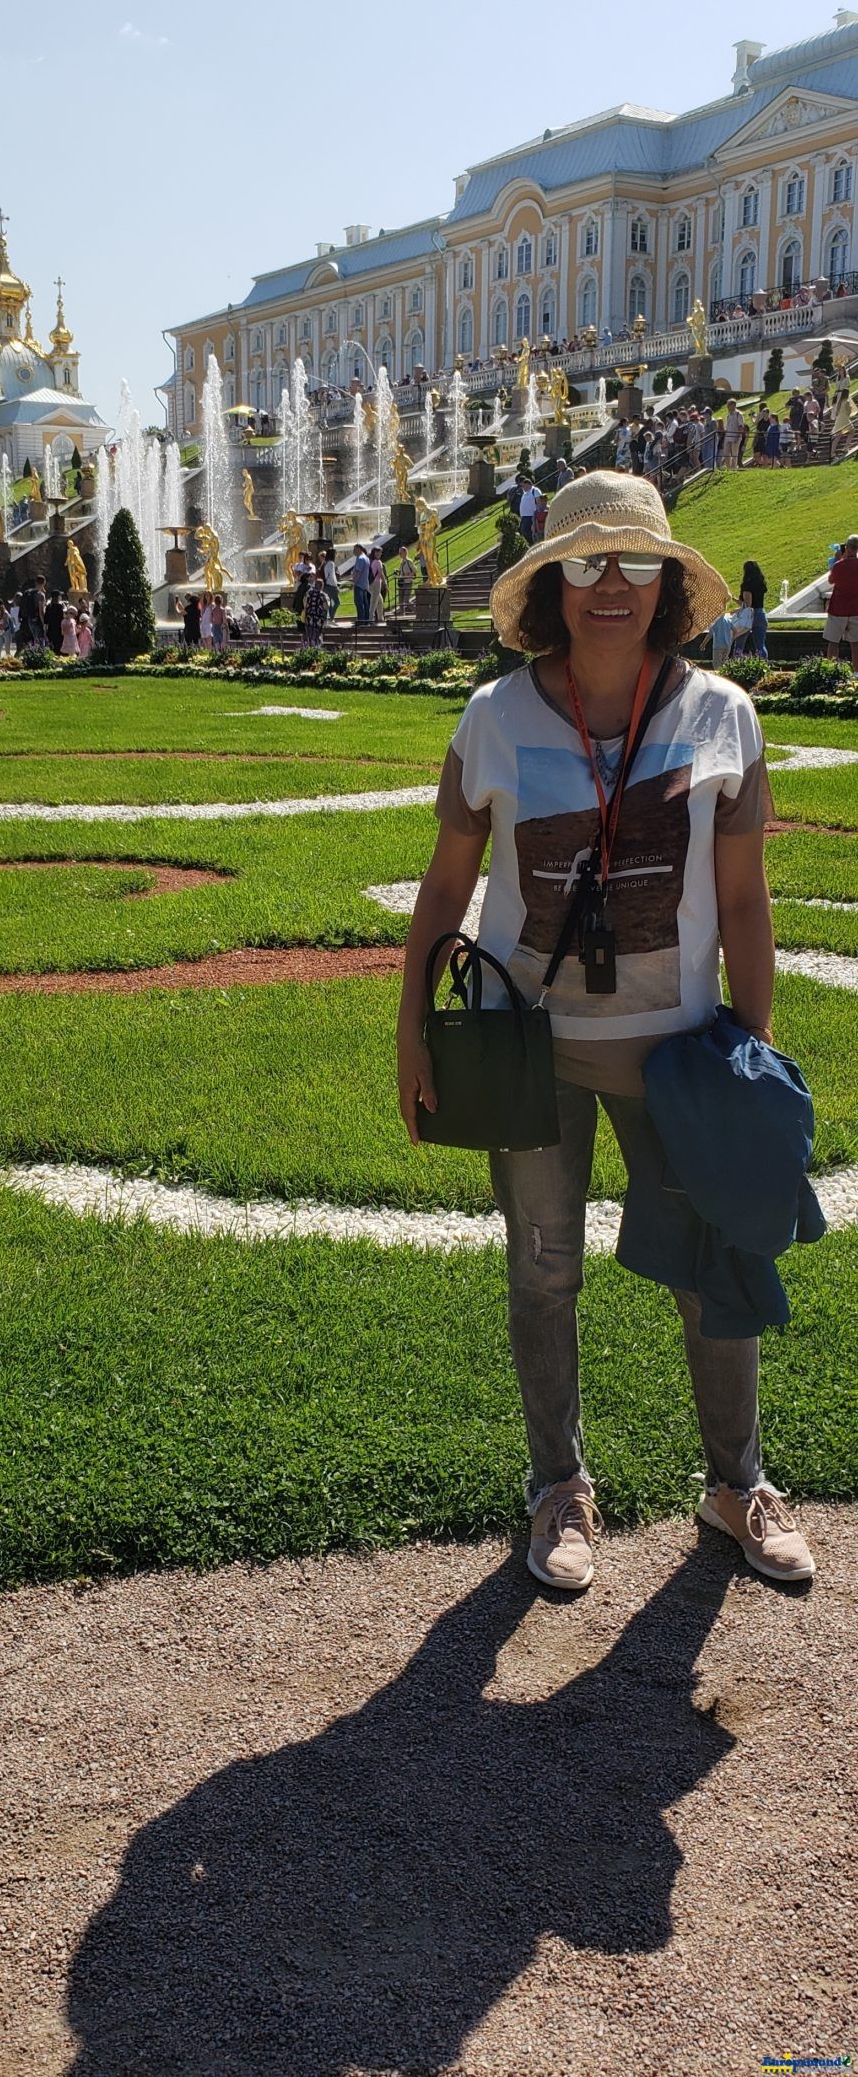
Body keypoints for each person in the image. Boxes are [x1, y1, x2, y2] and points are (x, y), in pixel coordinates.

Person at [397, 468, 815, 1591]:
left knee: (714, 1266)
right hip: (527, 1051)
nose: (611, 585)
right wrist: (411, 1036)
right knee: (543, 1272)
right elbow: (442, 898)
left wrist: (751, 1052)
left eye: (636, 563)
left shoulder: (722, 714)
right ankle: (560, 1489)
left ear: (671, 583)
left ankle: (736, 1485)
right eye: (584, 564)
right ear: (550, 587)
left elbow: (742, 903)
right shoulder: (493, 717)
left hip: (678, 1053)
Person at [823, 531, 858, 671]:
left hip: (838, 610)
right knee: (855, 645)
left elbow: (831, 580)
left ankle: (832, 671)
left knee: (833, 642)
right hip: (856, 609)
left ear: (847, 548)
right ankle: (856, 673)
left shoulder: (839, 565)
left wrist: (837, 561)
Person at [740, 560, 770, 659]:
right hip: (761, 613)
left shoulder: (747, 585)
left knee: (739, 645)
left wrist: (734, 599)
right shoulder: (761, 584)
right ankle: (763, 667)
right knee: (760, 646)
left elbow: (748, 605)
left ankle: (736, 666)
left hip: (749, 616)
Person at [351, 543, 372, 624]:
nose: (353, 551)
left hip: (359, 584)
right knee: (365, 604)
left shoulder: (360, 559)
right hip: (365, 584)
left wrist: (354, 583)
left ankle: (361, 621)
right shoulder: (366, 558)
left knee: (359, 604)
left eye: (355, 549)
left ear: (359, 549)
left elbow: (358, 572)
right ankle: (366, 621)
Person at [722, 398, 743, 470]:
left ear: (733, 405)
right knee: (726, 453)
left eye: (729, 405)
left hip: (735, 437)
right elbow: (726, 427)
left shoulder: (738, 414)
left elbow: (741, 426)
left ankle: (734, 468)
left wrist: (738, 436)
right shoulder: (728, 416)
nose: (727, 407)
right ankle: (729, 468)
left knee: (734, 454)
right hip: (728, 437)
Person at [369, 546, 387, 625]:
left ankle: (380, 617)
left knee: (379, 600)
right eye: (378, 552)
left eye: (380, 552)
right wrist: (385, 583)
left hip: (370, 583)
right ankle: (370, 619)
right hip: (376, 583)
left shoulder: (371, 561)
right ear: (374, 553)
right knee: (374, 602)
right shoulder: (378, 562)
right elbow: (380, 573)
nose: (379, 553)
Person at [45, 589, 66, 655]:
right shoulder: (60, 607)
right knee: (58, 647)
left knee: (51, 647)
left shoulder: (48, 607)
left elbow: (46, 620)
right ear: (57, 597)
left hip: (50, 630)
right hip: (59, 630)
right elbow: (62, 618)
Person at [397, 544, 416, 610]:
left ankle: (416, 610)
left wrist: (409, 575)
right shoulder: (402, 562)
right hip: (402, 583)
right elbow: (401, 571)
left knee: (406, 600)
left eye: (401, 553)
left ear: (405, 552)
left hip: (408, 582)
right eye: (399, 553)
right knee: (400, 601)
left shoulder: (409, 561)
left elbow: (415, 570)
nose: (399, 554)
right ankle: (401, 615)